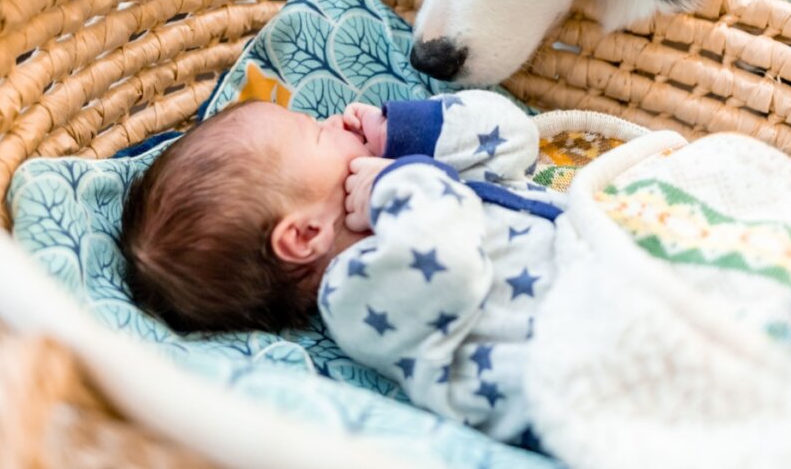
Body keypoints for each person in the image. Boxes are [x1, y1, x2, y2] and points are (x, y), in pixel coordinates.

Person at [120, 90, 564, 444]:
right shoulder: (355, 292)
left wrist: (403, 134)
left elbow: (515, 142)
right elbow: (452, 265)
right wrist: (396, 180)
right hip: (570, 366)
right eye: (315, 132)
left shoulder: (413, 192)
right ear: (305, 236)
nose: (334, 120)